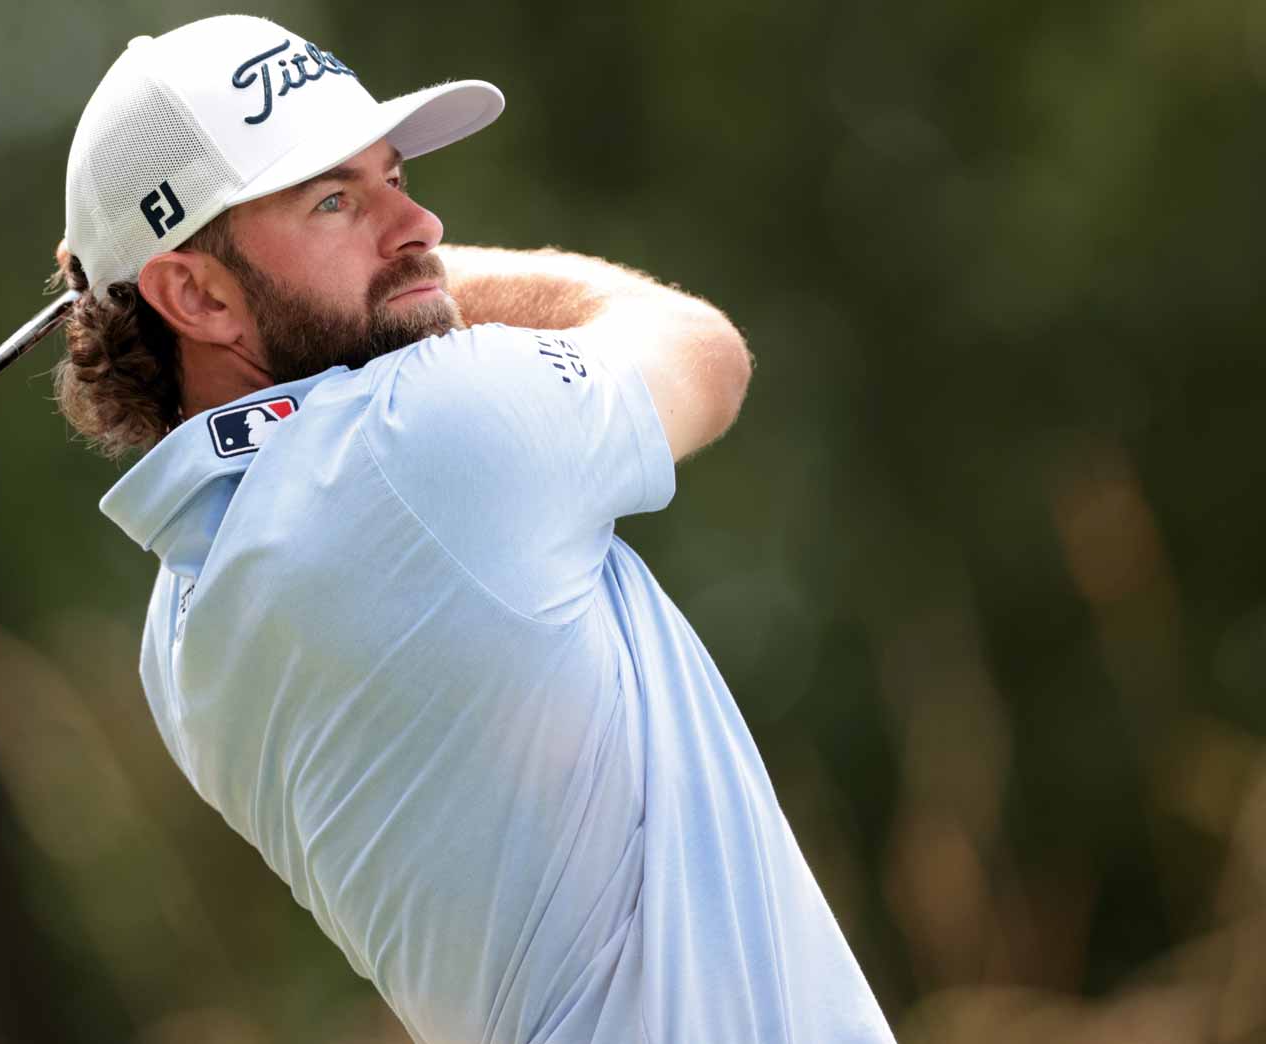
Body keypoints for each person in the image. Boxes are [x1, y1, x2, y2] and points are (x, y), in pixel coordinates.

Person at [52, 15, 895, 1044]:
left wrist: (373, 278)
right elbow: (703, 352)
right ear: (194, 291)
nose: (421, 225)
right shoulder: (421, 439)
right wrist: (422, 291)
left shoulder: (177, 627)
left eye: (393, 174)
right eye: (333, 199)